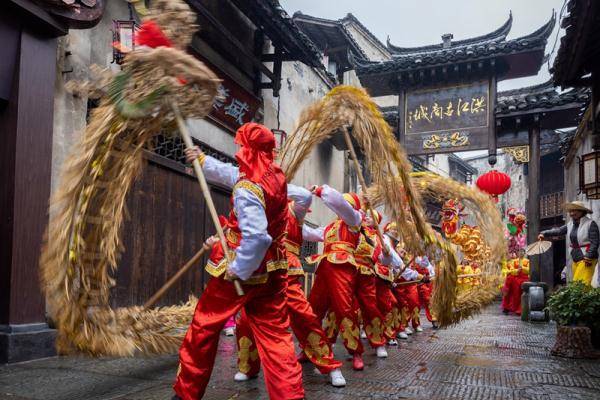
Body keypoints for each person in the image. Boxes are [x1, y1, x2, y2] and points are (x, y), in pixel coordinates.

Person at [173, 123, 303, 400]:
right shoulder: (275, 176)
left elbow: (257, 238)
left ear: (248, 148)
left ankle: (186, 393)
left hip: (241, 271)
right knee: (276, 337)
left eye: (241, 145)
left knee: (204, 328)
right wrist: (204, 161)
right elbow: (235, 174)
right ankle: (291, 396)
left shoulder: (247, 189)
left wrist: (238, 268)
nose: (238, 150)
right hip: (274, 271)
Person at [234, 187, 345, 387]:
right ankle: (247, 366)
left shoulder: (295, 209)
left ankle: (330, 366)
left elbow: (304, 197)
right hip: (261, 267)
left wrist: (277, 189)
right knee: (245, 320)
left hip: (287, 270)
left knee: (304, 316)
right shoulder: (257, 207)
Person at [306, 185, 365, 370]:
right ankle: (311, 348)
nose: (341, 209)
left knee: (344, 309)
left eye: (346, 205)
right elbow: (308, 233)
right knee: (313, 308)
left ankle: (355, 351)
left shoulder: (354, 220)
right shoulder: (330, 227)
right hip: (324, 267)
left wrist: (320, 190)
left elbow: (340, 204)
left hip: (342, 268)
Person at [539, 201, 599, 286]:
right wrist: (544, 233)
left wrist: (589, 255)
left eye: (574, 210)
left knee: (580, 285)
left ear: (581, 211)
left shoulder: (590, 224)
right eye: (570, 211)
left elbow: (595, 242)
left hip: (587, 258)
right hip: (575, 258)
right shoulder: (570, 224)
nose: (571, 213)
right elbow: (559, 231)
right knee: (580, 284)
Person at [501, 249, 530, 315]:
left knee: (522, 291)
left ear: (524, 253)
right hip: (516, 278)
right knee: (509, 284)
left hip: (524, 278)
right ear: (517, 253)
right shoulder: (514, 261)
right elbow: (511, 270)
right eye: (519, 252)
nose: (521, 253)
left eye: (522, 252)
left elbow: (529, 270)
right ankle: (507, 307)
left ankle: (520, 309)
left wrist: (522, 268)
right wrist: (517, 270)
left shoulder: (527, 261)